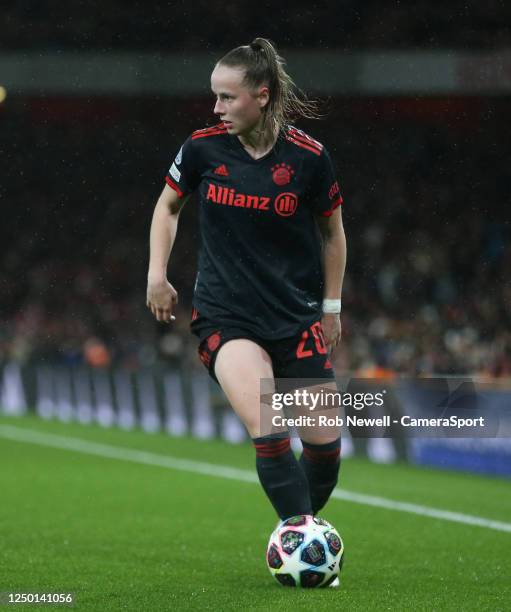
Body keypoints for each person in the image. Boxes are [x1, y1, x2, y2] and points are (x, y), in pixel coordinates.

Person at [147, 38, 347, 526]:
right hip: (227, 317)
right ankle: (301, 538)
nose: (216, 108)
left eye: (226, 97)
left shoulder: (309, 157)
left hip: (295, 318)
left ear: (261, 95)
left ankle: (295, 530)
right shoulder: (202, 148)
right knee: (270, 427)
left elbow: (333, 234)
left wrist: (331, 307)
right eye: (214, 96)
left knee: (325, 453)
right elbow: (168, 206)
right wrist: (157, 273)